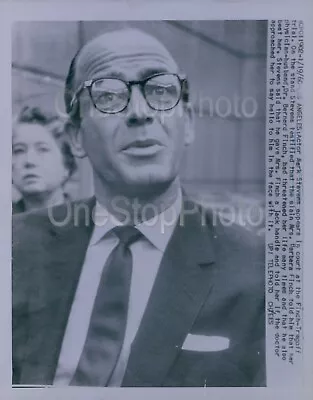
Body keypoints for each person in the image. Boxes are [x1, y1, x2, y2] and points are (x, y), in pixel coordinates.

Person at [12, 28, 265, 387]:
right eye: (109, 96)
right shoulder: (16, 246)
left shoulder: (256, 272)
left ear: (188, 124)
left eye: (160, 91)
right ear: (76, 137)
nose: (141, 113)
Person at [12, 107, 76, 213]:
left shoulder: (86, 223)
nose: (29, 161)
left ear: (66, 165)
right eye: (19, 150)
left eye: (43, 149)